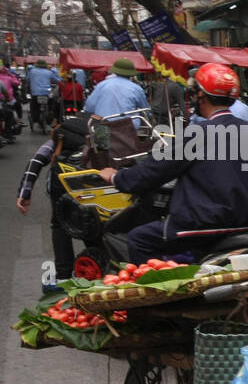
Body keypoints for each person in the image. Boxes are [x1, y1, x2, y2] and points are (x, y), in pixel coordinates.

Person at [97, 63, 248, 262]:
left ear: (201, 96)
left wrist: (116, 176)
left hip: (207, 225)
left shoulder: (199, 133)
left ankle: (160, 289)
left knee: (139, 239)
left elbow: (154, 170)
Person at [16, 113, 84, 290]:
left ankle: (63, 276)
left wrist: (25, 192)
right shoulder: (101, 132)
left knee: (59, 225)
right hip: (97, 182)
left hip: (62, 184)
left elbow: (36, 161)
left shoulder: (58, 139)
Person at [83, 58, 150, 128]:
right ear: (131, 74)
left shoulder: (102, 85)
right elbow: (145, 109)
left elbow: (89, 107)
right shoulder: (136, 88)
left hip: (103, 126)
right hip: (127, 129)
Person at [24, 59, 58, 133]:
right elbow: (57, 80)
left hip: (35, 93)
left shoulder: (32, 71)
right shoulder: (49, 72)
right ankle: (49, 114)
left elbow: (27, 80)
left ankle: (35, 118)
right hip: (46, 93)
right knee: (51, 104)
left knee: (34, 105)